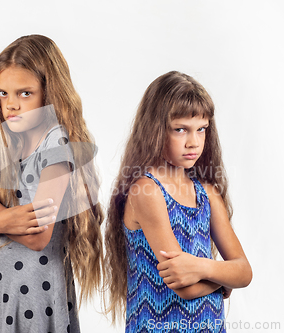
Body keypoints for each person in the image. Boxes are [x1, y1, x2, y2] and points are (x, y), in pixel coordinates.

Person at [0, 35, 103, 332]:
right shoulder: (11, 142)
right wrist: (3, 214)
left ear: (49, 92)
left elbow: (39, 237)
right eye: (3, 94)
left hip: (35, 290)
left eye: (25, 93)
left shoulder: (56, 145)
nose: (11, 105)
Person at [104, 71, 252, 332]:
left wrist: (201, 267)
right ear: (155, 129)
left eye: (201, 129)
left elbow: (244, 272)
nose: (193, 142)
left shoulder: (207, 194)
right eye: (180, 129)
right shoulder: (146, 191)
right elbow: (187, 287)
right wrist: (223, 278)